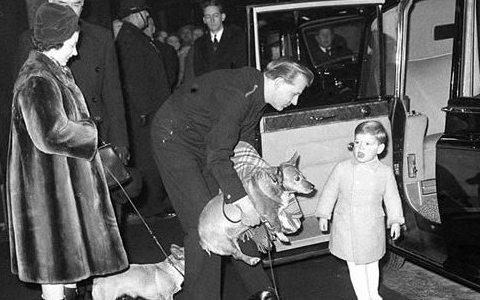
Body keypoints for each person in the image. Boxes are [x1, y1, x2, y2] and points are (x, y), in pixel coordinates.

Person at [151, 58, 314, 300]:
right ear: (279, 82)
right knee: (203, 226)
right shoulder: (240, 95)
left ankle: (263, 292)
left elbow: (241, 148)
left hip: (204, 143)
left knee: (235, 213)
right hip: (174, 140)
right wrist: (242, 200)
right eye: (294, 93)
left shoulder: (258, 98)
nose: (295, 101)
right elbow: (219, 156)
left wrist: (255, 194)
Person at [7, 3, 128, 300]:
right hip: (47, 199)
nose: (76, 52)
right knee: (54, 281)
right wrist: (90, 132)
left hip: (59, 194)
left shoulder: (53, 72)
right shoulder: (38, 79)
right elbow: (51, 134)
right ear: (56, 41)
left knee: (68, 278)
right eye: (72, 44)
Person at [14, 0, 131, 167]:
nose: (69, 9)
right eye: (62, 2)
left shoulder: (101, 37)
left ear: (84, 5)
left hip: (99, 140)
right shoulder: (30, 40)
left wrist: (121, 142)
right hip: (57, 151)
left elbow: (113, 95)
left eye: (76, 4)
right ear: (50, 2)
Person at [315, 120, 404, 300]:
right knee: (355, 265)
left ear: (380, 148)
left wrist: (395, 220)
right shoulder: (342, 168)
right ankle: (363, 297)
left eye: (367, 143)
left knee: (372, 263)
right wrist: (324, 214)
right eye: (357, 142)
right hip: (346, 227)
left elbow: (393, 198)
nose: (360, 148)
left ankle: (373, 293)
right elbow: (330, 191)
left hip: (371, 227)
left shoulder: (385, 173)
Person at [116, 0, 172, 217]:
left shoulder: (133, 38)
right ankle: (152, 208)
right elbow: (135, 81)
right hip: (147, 117)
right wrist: (147, 113)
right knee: (150, 163)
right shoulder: (131, 40)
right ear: (136, 14)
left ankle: (153, 206)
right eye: (145, 12)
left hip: (148, 114)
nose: (148, 16)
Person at [185, 0, 247, 82]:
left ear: (223, 17)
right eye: (208, 17)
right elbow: (197, 72)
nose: (212, 20)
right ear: (204, 20)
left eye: (215, 16)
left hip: (232, 88)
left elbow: (241, 68)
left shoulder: (238, 39)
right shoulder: (199, 43)